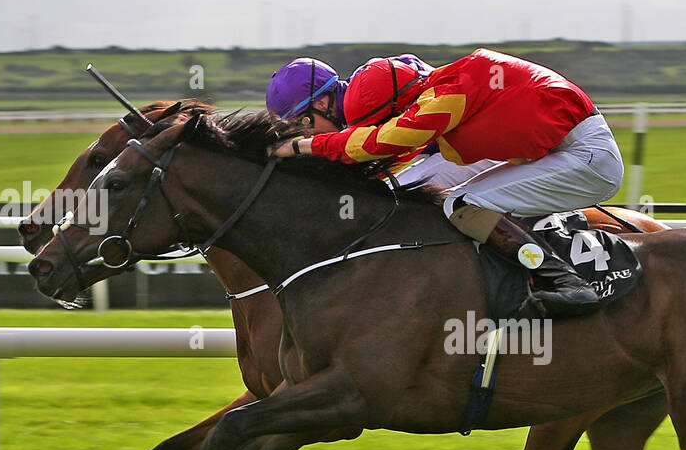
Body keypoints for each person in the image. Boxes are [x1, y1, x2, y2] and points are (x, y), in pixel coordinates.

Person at [273, 49, 625, 318]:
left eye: (304, 124)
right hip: (557, 150)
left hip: (586, 158)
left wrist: (300, 147)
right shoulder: (432, 89)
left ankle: (567, 283)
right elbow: (383, 149)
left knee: (461, 205)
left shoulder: (447, 96)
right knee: (446, 202)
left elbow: (380, 143)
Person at [264, 55, 497, 190]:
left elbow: (368, 156)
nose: (307, 135)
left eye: (303, 124)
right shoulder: (361, 85)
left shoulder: (362, 104)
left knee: (397, 196)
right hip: (466, 142)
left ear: (322, 104)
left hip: (483, 144)